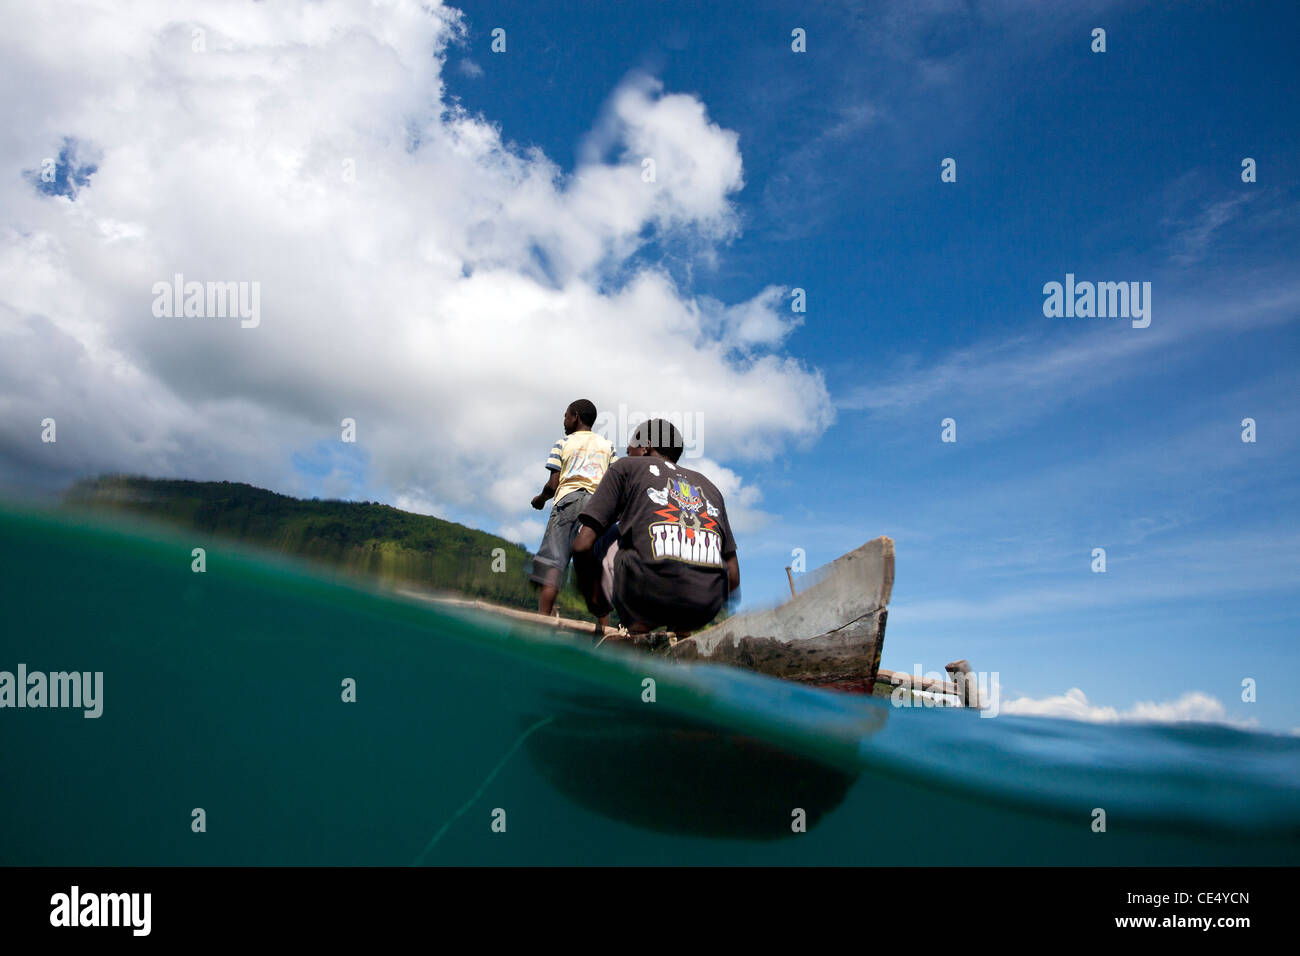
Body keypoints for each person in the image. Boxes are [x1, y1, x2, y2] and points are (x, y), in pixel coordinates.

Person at [571, 419, 739, 637]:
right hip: (705, 606)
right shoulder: (710, 486)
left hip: (647, 594)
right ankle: (682, 632)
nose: (626, 450)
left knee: (609, 533)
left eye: (630, 446)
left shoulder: (625, 467)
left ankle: (638, 626)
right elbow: (733, 577)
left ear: (645, 447)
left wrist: (594, 598)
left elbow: (582, 546)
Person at [529, 399, 618, 617]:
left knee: (554, 564)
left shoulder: (563, 443)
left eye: (566, 415)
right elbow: (617, 483)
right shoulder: (608, 447)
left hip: (567, 502)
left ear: (576, 416)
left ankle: (543, 620)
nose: (564, 420)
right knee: (595, 568)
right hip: (597, 508)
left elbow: (553, 484)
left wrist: (540, 499)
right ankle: (604, 629)